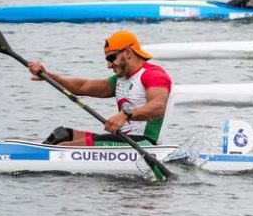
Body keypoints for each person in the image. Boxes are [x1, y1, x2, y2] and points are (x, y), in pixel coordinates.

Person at [26, 31, 172, 147]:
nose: (109, 65)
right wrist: (49, 76)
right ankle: (34, 157)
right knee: (62, 134)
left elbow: (158, 106)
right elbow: (81, 87)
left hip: (144, 144)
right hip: (123, 139)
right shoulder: (121, 80)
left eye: (111, 58)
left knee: (64, 147)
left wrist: (125, 115)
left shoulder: (153, 75)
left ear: (128, 52)